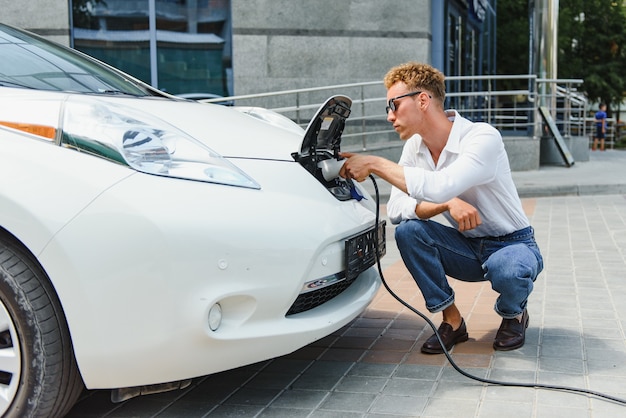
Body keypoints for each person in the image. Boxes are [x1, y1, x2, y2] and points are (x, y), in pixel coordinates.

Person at [340, 62, 543, 353]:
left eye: (394, 105)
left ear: (422, 100)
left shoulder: (482, 137)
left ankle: (513, 314)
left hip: (512, 244)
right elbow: (397, 207)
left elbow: (443, 185)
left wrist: (374, 163)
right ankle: (453, 320)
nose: (389, 116)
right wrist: (445, 204)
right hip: (466, 246)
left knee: (508, 269)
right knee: (409, 232)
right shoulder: (415, 147)